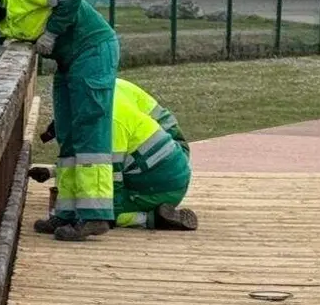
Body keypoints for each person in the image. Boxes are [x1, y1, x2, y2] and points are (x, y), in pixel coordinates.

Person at [0, 0, 119, 242]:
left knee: (89, 129)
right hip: (69, 60)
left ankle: (95, 215)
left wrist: (51, 32)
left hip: (93, 50)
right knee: (67, 132)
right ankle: (66, 212)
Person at [29, 89, 197, 233]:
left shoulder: (110, 126)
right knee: (90, 199)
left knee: (100, 211)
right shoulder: (101, 101)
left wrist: (100, 214)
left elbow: (109, 177)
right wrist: (52, 171)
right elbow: (92, 162)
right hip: (164, 165)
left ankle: (151, 219)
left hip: (162, 186)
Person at [38, 77, 188, 155]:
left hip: (171, 149)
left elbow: (107, 163)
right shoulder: (95, 93)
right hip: (165, 145)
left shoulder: (104, 112)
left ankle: (149, 208)